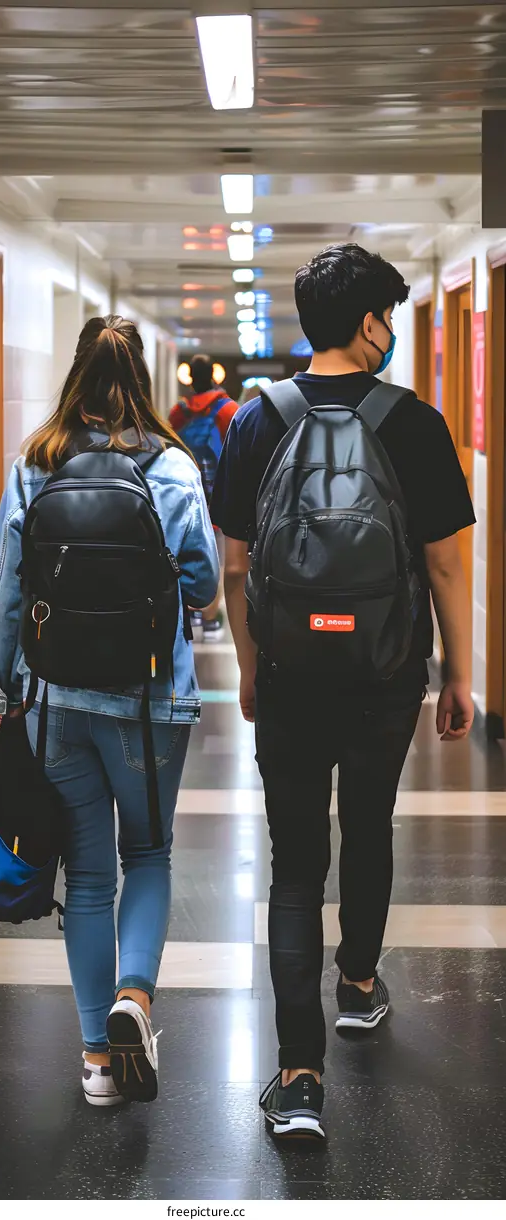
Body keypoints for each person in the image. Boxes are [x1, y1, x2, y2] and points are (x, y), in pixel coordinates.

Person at [210, 243, 476, 1140]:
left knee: (293, 865)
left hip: (288, 674)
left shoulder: (257, 419)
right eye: (390, 317)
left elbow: (236, 566)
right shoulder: (416, 422)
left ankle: (297, 1076)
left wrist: (249, 666)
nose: (391, 332)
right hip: (386, 671)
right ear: (368, 323)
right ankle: (358, 986)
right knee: (368, 824)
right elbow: (443, 562)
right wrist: (458, 674)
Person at [0, 315, 219, 1108]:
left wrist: (5, 689)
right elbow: (206, 584)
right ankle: (135, 1000)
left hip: (57, 702)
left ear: (74, 375)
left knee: (86, 876)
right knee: (146, 855)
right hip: (150, 701)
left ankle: (95, 1061)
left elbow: (6, 595)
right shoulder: (175, 469)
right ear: (143, 380)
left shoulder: (34, 463)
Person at [170, 353, 239, 641]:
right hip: (218, 497)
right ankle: (211, 619)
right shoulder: (228, 410)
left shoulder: (178, 412)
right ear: (213, 376)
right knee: (219, 556)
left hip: (184, 494)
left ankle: (192, 609)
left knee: (185, 549)